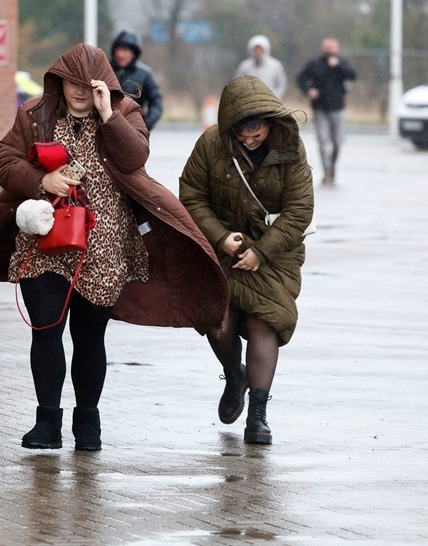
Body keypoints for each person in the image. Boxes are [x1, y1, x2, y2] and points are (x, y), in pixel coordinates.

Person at [0, 43, 228, 451]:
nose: (79, 91)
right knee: (45, 330)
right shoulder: (35, 114)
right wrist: (40, 182)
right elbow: (5, 161)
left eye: (89, 85)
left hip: (103, 247)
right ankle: (46, 423)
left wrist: (108, 113)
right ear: (58, 80)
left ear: (104, 86)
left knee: (88, 336)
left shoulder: (126, 114)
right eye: (72, 83)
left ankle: (88, 422)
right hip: (43, 240)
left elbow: (135, 158)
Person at [178, 75, 315, 445]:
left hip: (275, 253)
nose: (247, 136)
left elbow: (300, 209)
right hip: (223, 245)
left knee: (263, 320)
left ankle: (258, 415)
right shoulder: (210, 144)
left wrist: (262, 250)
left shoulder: (291, 149)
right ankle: (233, 375)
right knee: (217, 320)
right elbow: (190, 195)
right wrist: (221, 238)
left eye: (254, 127)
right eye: (238, 129)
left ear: (269, 119)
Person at [296, 37, 357, 185]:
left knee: (337, 141)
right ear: (322, 48)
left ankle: (333, 164)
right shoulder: (315, 63)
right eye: (327, 47)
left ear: (337, 48)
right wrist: (309, 90)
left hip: (337, 107)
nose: (329, 50)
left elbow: (353, 76)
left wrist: (338, 67)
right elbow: (300, 78)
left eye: (332, 47)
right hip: (319, 107)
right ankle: (326, 171)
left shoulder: (341, 63)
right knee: (323, 141)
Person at [109, 30, 163, 131]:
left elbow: (156, 103)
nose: (121, 54)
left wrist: (145, 126)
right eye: (118, 49)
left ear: (134, 53)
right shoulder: (105, 69)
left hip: (133, 129)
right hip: (106, 129)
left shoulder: (145, 74)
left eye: (125, 50)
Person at [234, 34, 287, 100]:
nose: (258, 52)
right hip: (249, 102)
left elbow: (281, 85)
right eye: (256, 49)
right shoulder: (245, 66)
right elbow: (237, 84)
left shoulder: (275, 65)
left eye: (260, 49)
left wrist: (275, 97)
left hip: (270, 102)